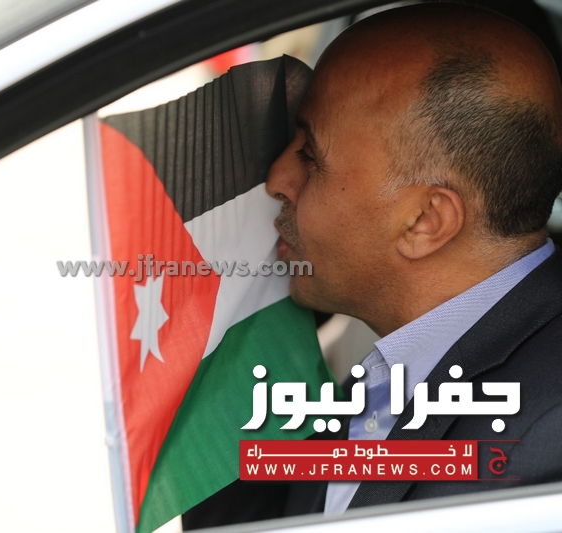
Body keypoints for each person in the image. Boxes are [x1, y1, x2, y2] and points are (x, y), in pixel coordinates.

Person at [183, 2, 562, 528]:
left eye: (310, 156)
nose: (276, 180)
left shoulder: (542, 449)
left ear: (424, 221)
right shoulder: (397, 369)